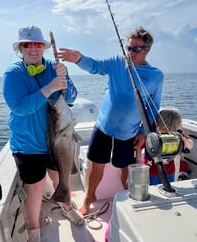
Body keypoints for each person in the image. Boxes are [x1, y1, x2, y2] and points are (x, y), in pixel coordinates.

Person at [57, 27, 164, 215]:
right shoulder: (117, 62)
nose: (130, 53)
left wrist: (143, 132)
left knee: (125, 167)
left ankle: (129, 199)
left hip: (129, 131)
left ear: (148, 49)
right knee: (95, 163)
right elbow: (96, 66)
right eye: (128, 48)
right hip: (104, 126)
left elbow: (153, 107)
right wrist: (79, 59)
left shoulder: (155, 75)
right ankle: (89, 197)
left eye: (135, 49)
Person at [3, 25, 84, 242]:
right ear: (20, 48)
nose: (32, 49)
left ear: (43, 47)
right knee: (36, 187)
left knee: (60, 178)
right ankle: (33, 227)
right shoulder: (13, 74)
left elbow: (72, 97)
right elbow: (18, 107)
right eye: (27, 44)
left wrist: (65, 81)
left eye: (37, 44)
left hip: (56, 139)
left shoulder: (53, 68)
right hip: (28, 143)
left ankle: (67, 207)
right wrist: (50, 87)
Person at [143, 107, 193, 185]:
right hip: (166, 171)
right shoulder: (177, 137)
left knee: (153, 189)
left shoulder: (151, 136)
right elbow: (190, 145)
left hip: (154, 170)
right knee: (169, 188)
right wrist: (183, 139)